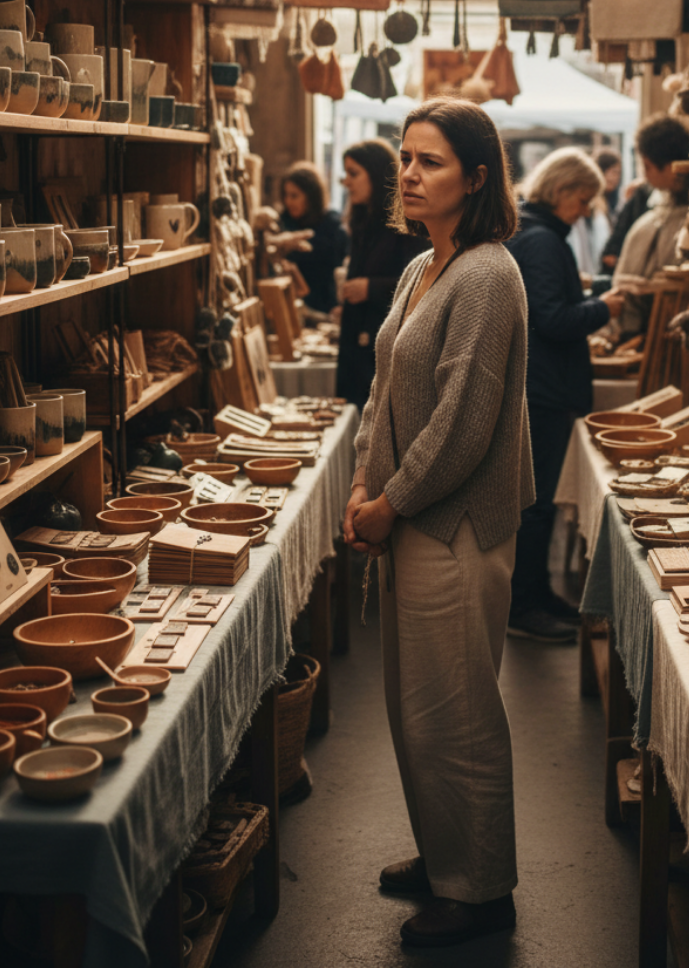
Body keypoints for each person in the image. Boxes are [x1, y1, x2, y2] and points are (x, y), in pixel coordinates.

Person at [344, 98, 530, 949]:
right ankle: (446, 854)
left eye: (432, 161)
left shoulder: (488, 274)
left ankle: (481, 891)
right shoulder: (424, 265)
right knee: (417, 706)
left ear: (478, 177)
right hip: (409, 514)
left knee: (459, 713)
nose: (410, 175)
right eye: (406, 158)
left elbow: (463, 424)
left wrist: (388, 504)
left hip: (455, 524)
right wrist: (362, 482)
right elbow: (384, 390)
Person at [506, 150, 625, 643]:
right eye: (583, 199)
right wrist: (603, 307)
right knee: (535, 505)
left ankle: (537, 595)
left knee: (539, 502)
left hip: (542, 386)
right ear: (561, 190)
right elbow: (552, 319)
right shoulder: (541, 240)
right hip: (545, 389)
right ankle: (523, 607)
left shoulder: (534, 233)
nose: (585, 210)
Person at [336, 140, 428, 408]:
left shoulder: (405, 223)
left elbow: (421, 283)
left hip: (384, 345)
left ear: (375, 173)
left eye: (353, 174)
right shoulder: (363, 220)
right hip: (358, 343)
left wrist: (370, 288)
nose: (346, 182)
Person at [611, 114, 689, 338]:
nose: (646, 175)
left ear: (670, 167)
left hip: (670, 329)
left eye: (647, 166)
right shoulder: (655, 207)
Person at [277, 163, 348, 314]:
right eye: (285, 195)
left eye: (294, 196)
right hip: (291, 307)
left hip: (326, 308)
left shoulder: (332, 225)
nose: (288, 201)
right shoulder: (282, 224)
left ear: (311, 197)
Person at [596, 148, 623, 224]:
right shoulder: (592, 202)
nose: (616, 177)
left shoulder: (614, 199)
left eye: (619, 173)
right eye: (614, 172)